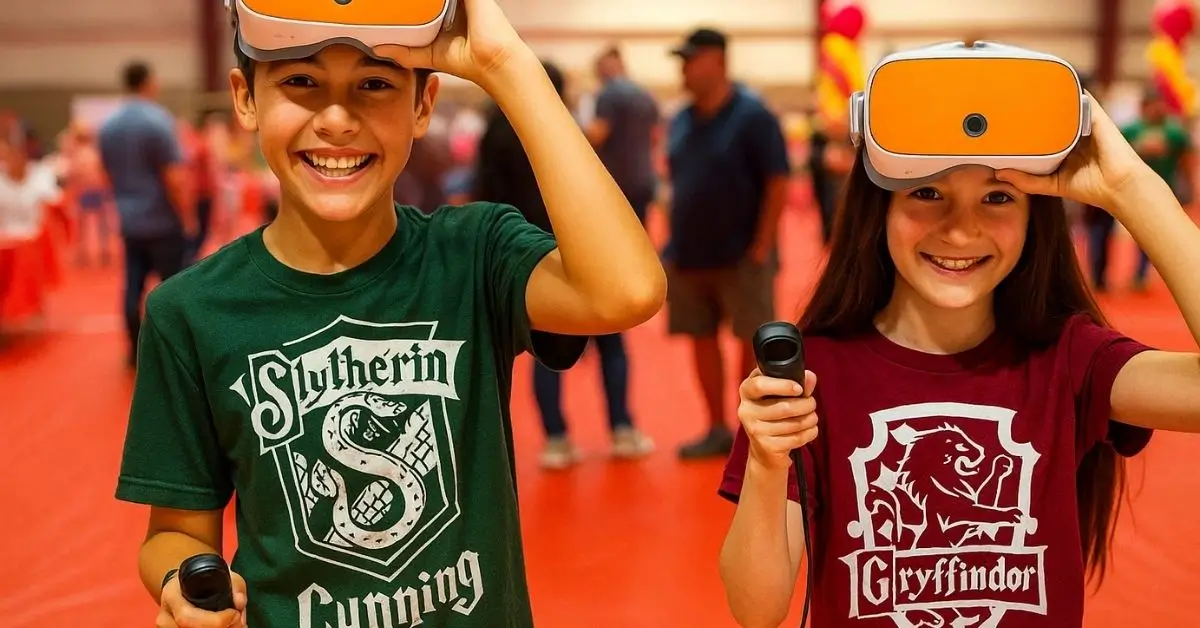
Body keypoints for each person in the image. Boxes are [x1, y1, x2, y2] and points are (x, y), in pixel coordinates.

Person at [113, 0, 665, 626]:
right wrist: (182, 586)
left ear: (423, 105)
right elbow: (174, 533)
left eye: (374, 85)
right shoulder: (190, 311)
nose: (339, 120)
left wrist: (505, 64)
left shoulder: (473, 254)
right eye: (300, 82)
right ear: (245, 99)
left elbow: (628, 291)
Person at [717, 95, 1200, 627]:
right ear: (879, 208)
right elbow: (755, 610)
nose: (960, 229)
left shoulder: (1069, 358)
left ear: (1034, 218)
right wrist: (767, 463)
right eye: (926, 192)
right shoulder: (812, 377)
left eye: (997, 197)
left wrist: (1133, 189)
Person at [476, 59, 655, 469]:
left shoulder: (494, 131)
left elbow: (484, 191)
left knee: (546, 347)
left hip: (523, 255)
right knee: (610, 338)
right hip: (576, 248)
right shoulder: (563, 131)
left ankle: (556, 439)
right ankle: (622, 429)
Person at [664, 28, 792, 459]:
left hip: (742, 255)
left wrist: (761, 246)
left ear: (717, 60)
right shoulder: (681, 119)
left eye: (690, 59)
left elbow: (778, 181)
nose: (683, 68)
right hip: (690, 254)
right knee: (700, 337)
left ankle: (747, 430)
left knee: (749, 342)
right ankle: (716, 427)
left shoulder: (752, 115)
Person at [98, 60, 195, 367]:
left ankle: (133, 350)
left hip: (129, 219)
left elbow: (107, 175)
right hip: (162, 219)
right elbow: (173, 177)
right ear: (149, 82)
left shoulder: (109, 125)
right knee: (171, 290)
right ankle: (171, 353)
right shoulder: (158, 121)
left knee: (132, 285)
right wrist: (187, 216)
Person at [587, 45, 660, 224]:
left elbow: (598, 135)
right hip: (644, 178)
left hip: (618, 182)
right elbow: (655, 137)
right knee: (640, 234)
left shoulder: (608, 94)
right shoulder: (645, 94)